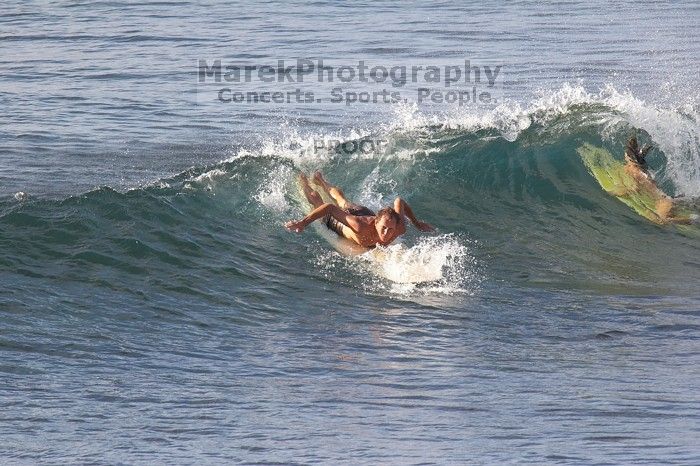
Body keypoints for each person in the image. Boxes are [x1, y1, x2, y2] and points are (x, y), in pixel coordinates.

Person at [285, 171, 434, 248]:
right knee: (318, 201)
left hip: (363, 212)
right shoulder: (359, 226)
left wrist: (416, 223)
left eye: (390, 229)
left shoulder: (399, 227)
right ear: (376, 222)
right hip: (346, 224)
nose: (386, 233)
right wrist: (303, 223)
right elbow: (329, 208)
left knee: (343, 201)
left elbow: (399, 201)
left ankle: (320, 179)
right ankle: (304, 180)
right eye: (383, 228)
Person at [615, 135, 690, 224]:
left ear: (629, 157)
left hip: (663, 201)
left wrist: (619, 192)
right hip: (665, 199)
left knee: (663, 221)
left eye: (626, 154)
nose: (625, 155)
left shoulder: (636, 172)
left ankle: (694, 220)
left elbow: (636, 189)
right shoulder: (637, 169)